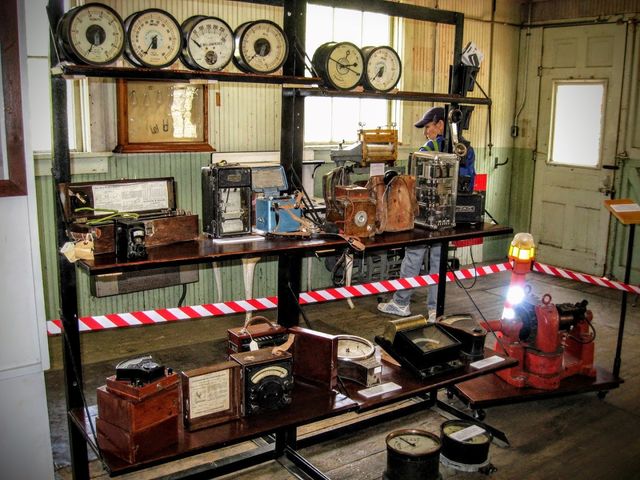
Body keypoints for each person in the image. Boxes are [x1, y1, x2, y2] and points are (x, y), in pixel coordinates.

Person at [377, 106, 475, 322]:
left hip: (426, 213)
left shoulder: (430, 148)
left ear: (441, 125)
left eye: (428, 127)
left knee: (413, 255)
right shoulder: (466, 149)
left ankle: (401, 303)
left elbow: (415, 180)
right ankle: (434, 310)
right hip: (448, 215)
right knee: (438, 260)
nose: (426, 132)